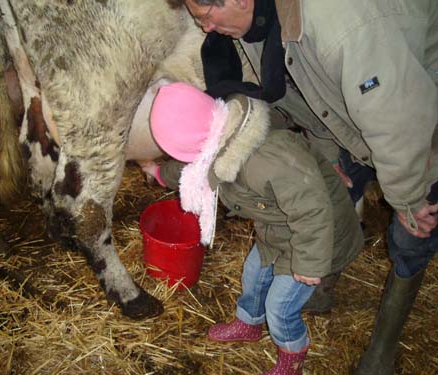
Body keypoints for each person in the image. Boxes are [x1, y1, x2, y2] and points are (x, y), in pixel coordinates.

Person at [174, 0, 438, 373]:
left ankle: (383, 348)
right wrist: (330, 154)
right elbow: (307, 97)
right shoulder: (259, 26)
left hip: (422, 109)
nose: (205, 29)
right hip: (364, 109)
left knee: (412, 235)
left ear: (237, 0)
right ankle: (323, 281)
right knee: (333, 190)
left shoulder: (344, 26)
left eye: (205, 17)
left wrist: (409, 199)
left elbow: (398, 117)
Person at [143, 81, 363, 375]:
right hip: (277, 228)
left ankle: (292, 355)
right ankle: (248, 323)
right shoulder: (219, 135)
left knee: (281, 308)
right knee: (253, 275)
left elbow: (313, 208)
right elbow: (190, 167)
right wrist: (158, 173)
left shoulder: (266, 160)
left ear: (197, 141)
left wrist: (310, 263)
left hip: (316, 238)